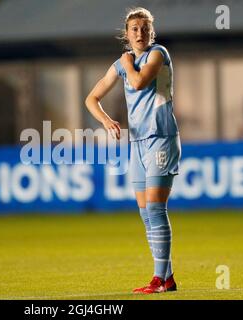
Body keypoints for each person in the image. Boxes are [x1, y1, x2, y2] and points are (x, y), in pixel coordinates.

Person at [85, 7, 181, 294]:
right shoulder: (122, 62)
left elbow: (139, 82)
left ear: (151, 32)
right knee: (145, 212)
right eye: (134, 29)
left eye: (144, 28)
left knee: (155, 207)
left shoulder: (157, 54)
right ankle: (168, 278)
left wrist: (126, 65)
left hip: (161, 137)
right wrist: (105, 120)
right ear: (126, 35)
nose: (139, 33)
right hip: (137, 143)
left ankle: (158, 279)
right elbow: (92, 97)